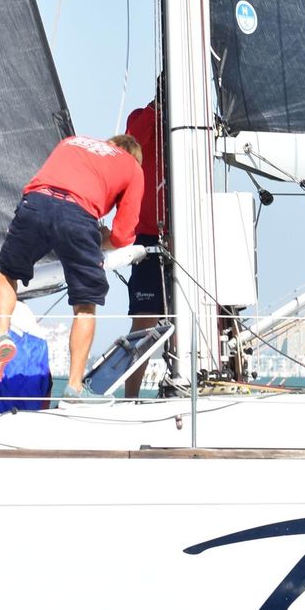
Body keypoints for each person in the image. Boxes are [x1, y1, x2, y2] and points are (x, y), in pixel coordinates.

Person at [0, 135, 144, 401]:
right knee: (86, 304)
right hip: (78, 215)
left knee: (7, 273)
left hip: (35, 203)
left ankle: (2, 335)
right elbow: (123, 236)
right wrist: (100, 237)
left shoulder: (72, 142)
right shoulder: (133, 167)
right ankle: (74, 388)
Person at [123, 83, 168, 399]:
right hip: (149, 236)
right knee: (145, 322)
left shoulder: (193, 132)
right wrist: (157, 110)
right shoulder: (142, 118)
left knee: (190, 317)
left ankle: (185, 384)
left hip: (186, 234)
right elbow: (131, 154)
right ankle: (131, 397)